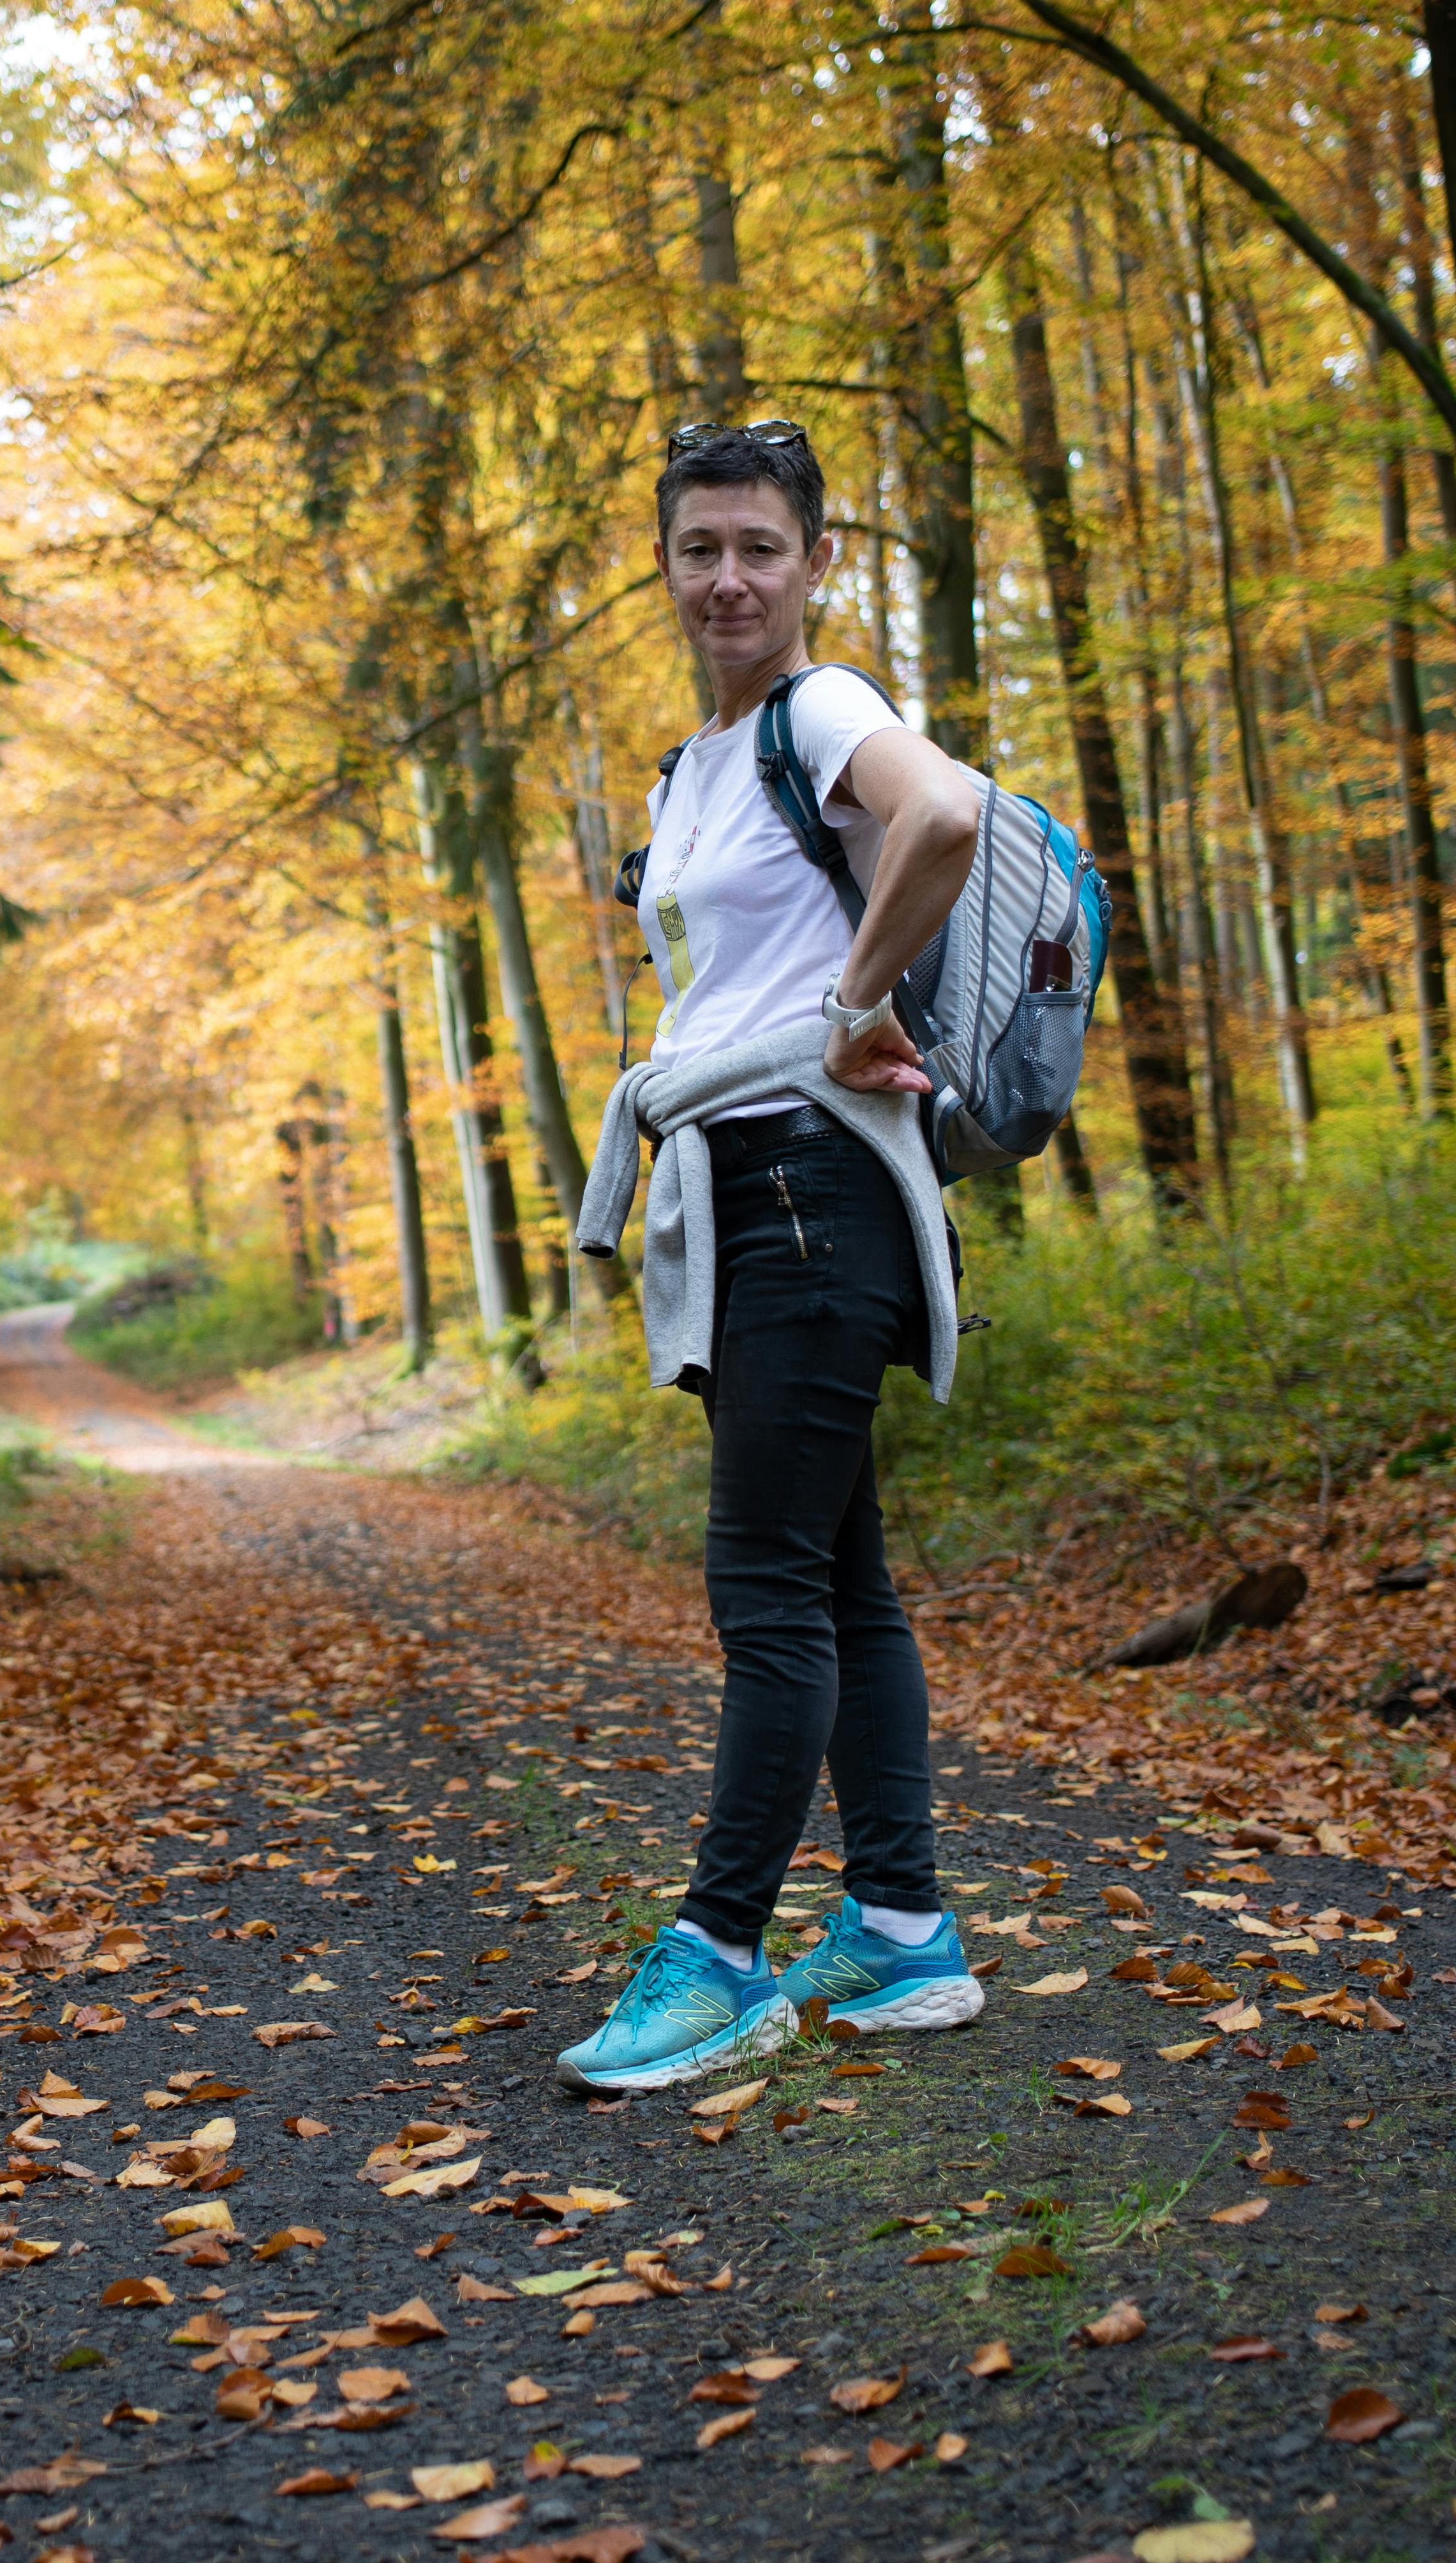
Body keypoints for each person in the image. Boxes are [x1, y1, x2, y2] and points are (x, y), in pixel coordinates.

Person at [556, 417, 992, 2095]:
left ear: (816, 563)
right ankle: (899, 1933)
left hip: (814, 1187)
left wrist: (856, 1005)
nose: (728, 577)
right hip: (749, 1192)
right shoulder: (695, 766)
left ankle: (721, 1954)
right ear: (665, 570)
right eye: (698, 549)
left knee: (763, 1591)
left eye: (759, 546)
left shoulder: (825, 710)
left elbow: (940, 816)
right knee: (840, 1580)